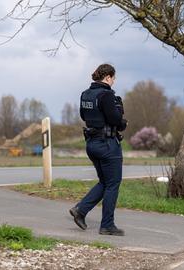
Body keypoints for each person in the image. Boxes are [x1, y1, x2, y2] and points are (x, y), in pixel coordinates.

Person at [69, 64, 128, 236]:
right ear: (108, 77)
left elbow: (83, 116)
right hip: (108, 145)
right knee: (113, 184)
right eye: (113, 78)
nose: (114, 82)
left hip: (91, 144)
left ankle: (80, 210)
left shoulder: (85, 94)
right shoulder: (107, 95)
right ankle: (107, 225)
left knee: (104, 182)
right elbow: (116, 120)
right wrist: (123, 122)